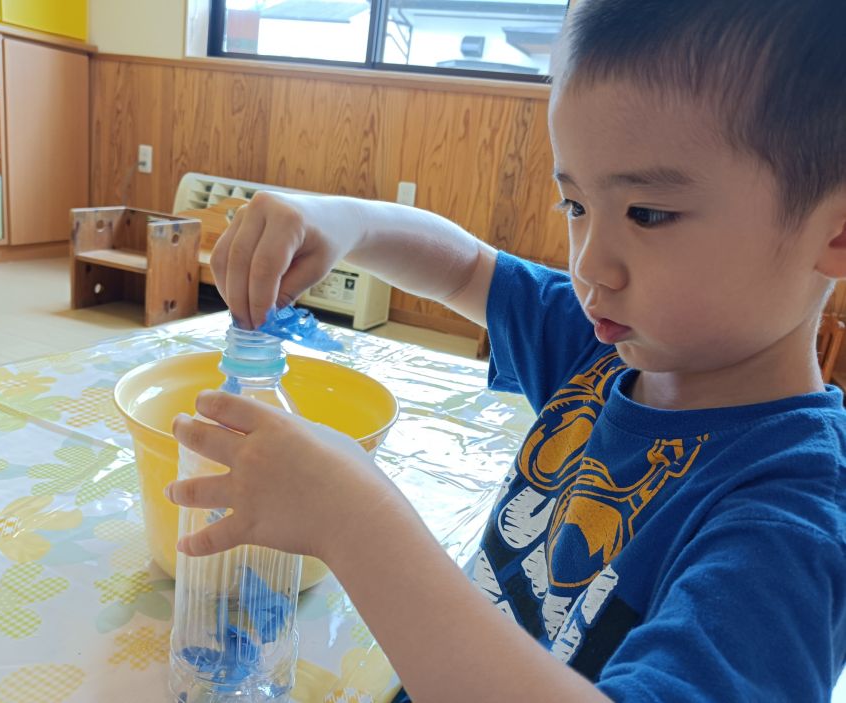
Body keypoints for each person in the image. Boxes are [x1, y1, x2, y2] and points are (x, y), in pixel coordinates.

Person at [165, 0, 846, 699]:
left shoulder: (791, 521)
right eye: (575, 206)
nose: (589, 266)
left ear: (836, 232)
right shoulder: (609, 347)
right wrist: (346, 221)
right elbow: (467, 269)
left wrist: (352, 519)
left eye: (648, 213)